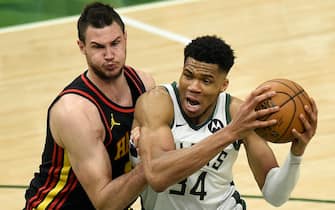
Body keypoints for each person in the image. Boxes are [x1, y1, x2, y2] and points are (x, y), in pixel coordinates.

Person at [130, 35, 318, 210]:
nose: (194, 87)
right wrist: (231, 133)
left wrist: (296, 155)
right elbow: (158, 176)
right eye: (188, 75)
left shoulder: (238, 113)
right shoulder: (157, 103)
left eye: (206, 80)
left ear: (223, 85)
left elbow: (275, 195)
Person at [24, 2, 155, 210]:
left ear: (125, 38)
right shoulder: (74, 112)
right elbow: (105, 202)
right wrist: (155, 163)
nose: (110, 55)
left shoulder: (144, 84)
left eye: (115, 43)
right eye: (98, 47)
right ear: (81, 46)